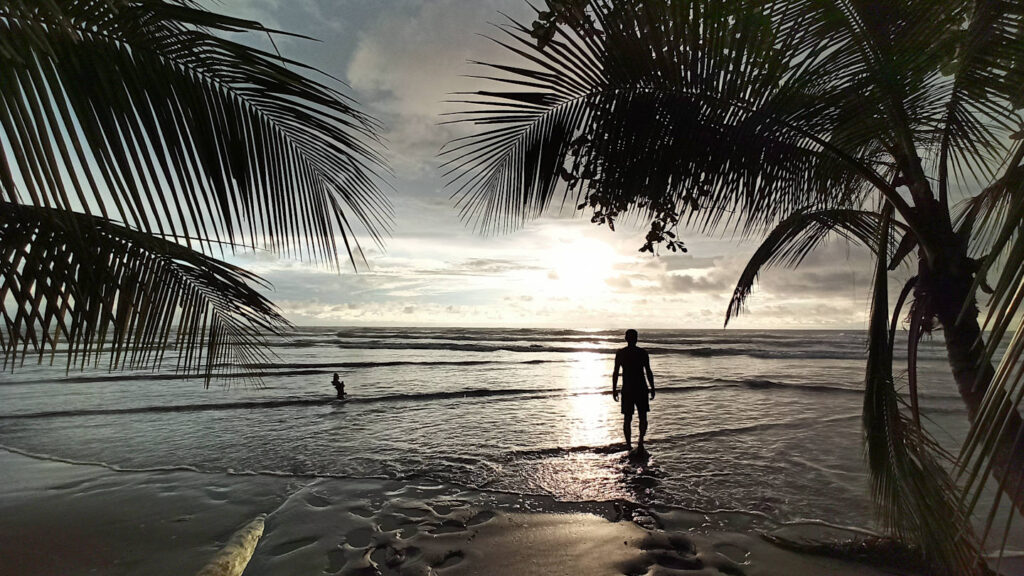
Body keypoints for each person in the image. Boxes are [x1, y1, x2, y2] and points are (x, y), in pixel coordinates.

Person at [612, 329, 655, 452]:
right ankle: (640, 442)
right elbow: (648, 371)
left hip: (628, 389)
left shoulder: (621, 353)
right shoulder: (642, 353)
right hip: (641, 388)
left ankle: (629, 444)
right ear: (636, 339)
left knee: (627, 418)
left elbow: (616, 372)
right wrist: (652, 387)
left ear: (626, 339)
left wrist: (614, 389)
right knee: (642, 416)